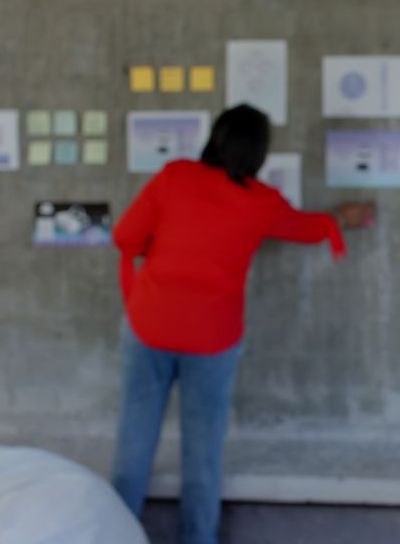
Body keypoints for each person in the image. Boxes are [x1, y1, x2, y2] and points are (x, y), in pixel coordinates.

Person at [111, 104, 374, 544]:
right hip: (213, 338)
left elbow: (125, 238)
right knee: (203, 457)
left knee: (133, 448)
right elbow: (307, 228)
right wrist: (342, 217)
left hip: (149, 325)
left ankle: (110, 533)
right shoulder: (261, 203)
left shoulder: (175, 177)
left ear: (215, 138)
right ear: (258, 154)